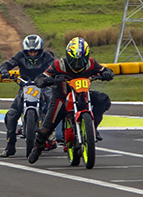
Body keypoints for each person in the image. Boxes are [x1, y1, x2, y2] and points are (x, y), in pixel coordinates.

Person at [27, 36, 114, 164]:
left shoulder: (91, 63)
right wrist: (47, 80)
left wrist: (107, 74)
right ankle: (37, 148)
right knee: (46, 128)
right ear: (68, 56)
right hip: (62, 97)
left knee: (103, 99)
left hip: (83, 94)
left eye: (81, 60)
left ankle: (92, 128)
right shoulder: (59, 64)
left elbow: (106, 70)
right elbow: (40, 78)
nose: (78, 65)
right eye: (74, 60)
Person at [0, 35, 55, 157]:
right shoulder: (20, 56)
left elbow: (55, 66)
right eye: (30, 51)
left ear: (40, 50)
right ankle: (10, 146)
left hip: (43, 86)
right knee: (11, 115)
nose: (32, 54)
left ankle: (57, 135)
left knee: (55, 106)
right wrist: (4, 71)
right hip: (25, 87)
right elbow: (6, 64)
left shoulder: (47, 56)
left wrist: (52, 77)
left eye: (35, 51)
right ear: (25, 51)